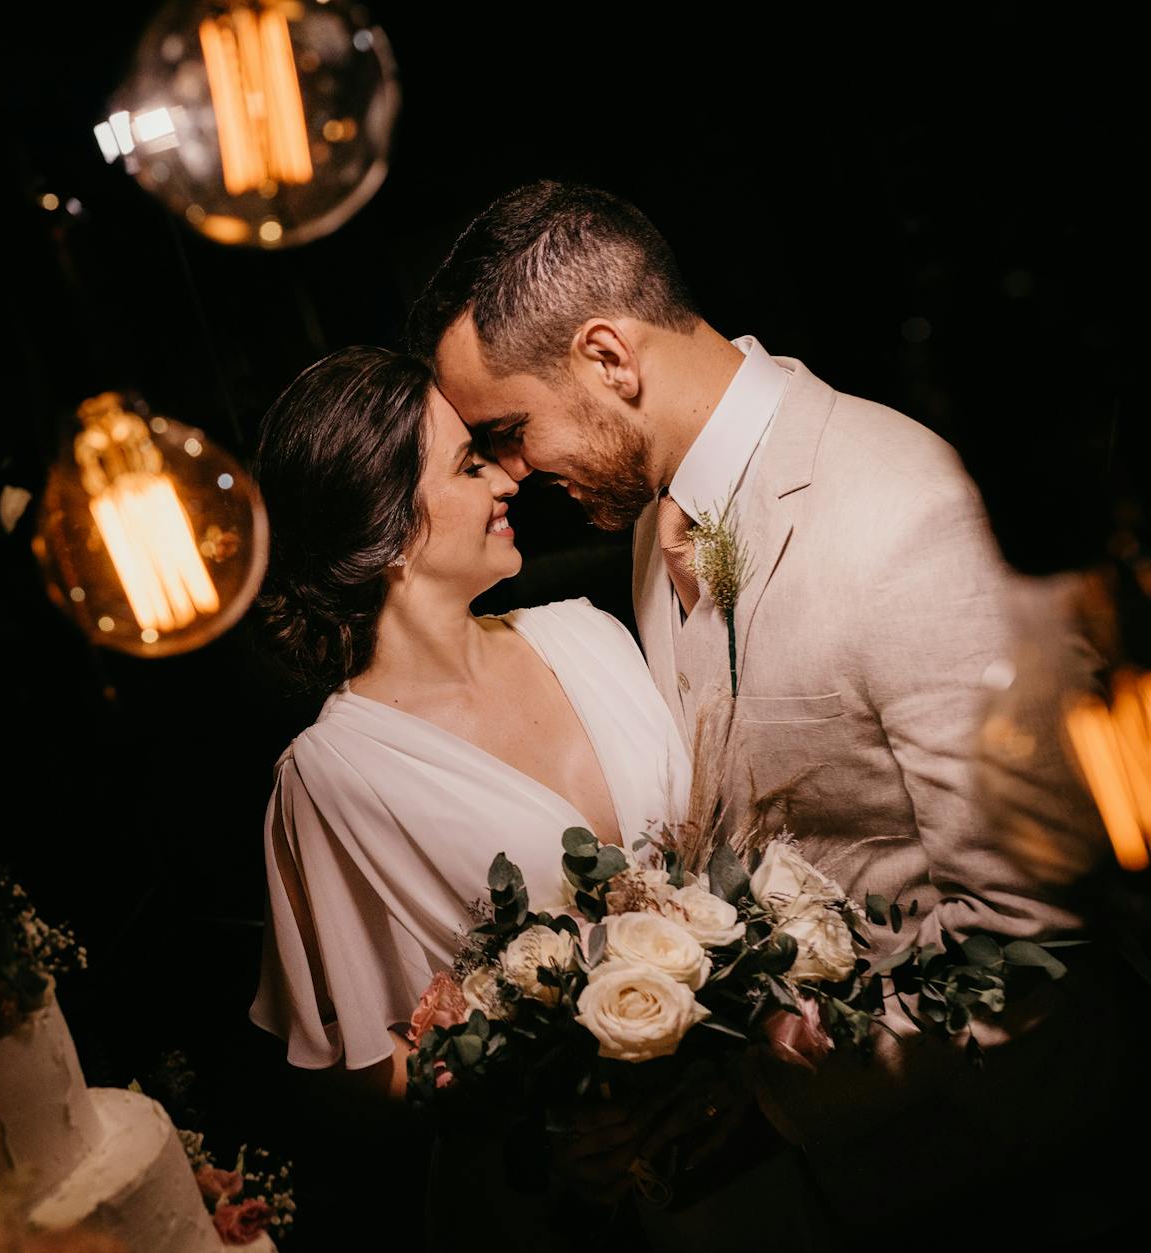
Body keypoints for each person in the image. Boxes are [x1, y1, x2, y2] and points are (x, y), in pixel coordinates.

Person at [408, 179, 1123, 1240]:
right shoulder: (660, 524)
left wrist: (758, 1100)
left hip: (1017, 1175)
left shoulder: (902, 514)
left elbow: (1030, 936)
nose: (512, 471)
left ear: (608, 357)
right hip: (846, 1192)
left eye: (509, 429)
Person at [245, 344, 690, 1245]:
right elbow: (348, 1067)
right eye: (468, 463)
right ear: (391, 527)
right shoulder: (332, 775)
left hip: (749, 1122)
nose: (507, 481)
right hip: (569, 1210)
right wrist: (537, 1107)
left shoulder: (589, 636)